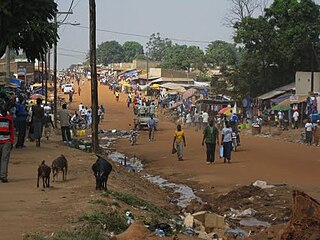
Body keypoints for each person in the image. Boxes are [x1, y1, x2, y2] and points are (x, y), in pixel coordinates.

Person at [0, 98, 14, 183]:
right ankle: (2, 175)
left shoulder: (9, 118)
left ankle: (3, 176)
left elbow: (11, 130)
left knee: (4, 159)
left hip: (7, 141)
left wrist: (11, 141)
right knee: (4, 159)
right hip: (6, 141)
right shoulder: (9, 118)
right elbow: (12, 130)